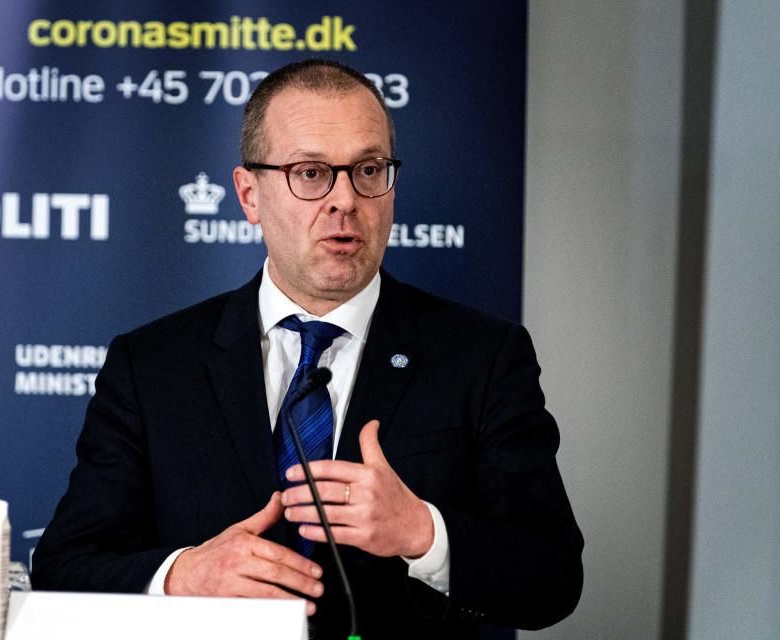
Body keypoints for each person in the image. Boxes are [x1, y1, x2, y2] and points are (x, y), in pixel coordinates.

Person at [32, 59, 583, 638]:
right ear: (250, 195)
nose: (345, 200)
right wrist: (185, 576)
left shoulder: (483, 356)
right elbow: (63, 568)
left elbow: (553, 577)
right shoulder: (151, 366)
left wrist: (423, 532)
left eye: (369, 169)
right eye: (312, 173)